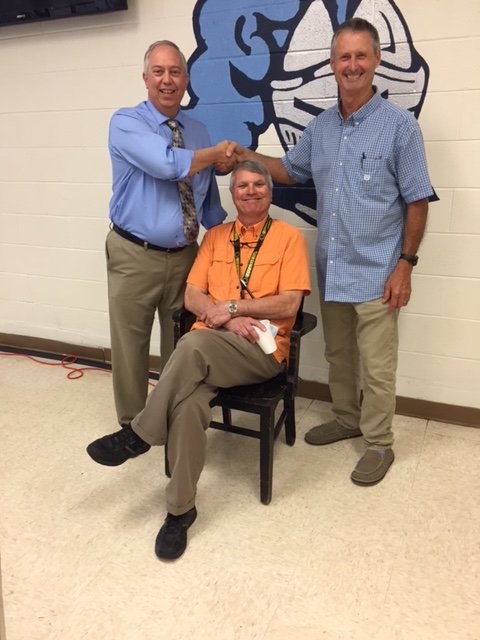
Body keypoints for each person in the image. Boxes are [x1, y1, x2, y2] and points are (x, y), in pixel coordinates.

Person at [232, 18, 434, 486]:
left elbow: (418, 201)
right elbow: (288, 169)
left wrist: (405, 266)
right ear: (332, 63)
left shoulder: (400, 127)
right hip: (334, 270)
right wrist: (243, 154)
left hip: (380, 273)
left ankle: (379, 442)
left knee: (377, 367)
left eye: (361, 55)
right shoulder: (321, 128)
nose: (352, 65)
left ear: (376, 60)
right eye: (344, 56)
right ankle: (347, 419)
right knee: (339, 355)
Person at [87, 160, 311, 560]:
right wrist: (226, 320)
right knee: (188, 405)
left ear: (270, 191)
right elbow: (192, 296)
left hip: (260, 351)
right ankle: (180, 511)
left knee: (190, 345)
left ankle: (139, 434)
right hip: (212, 345)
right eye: (242, 185)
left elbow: (289, 303)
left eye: (259, 184)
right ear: (233, 194)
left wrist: (234, 308)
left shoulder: (289, 237)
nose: (251, 191)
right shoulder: (215, 237)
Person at [106, 40, 236, 427]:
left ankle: (170, 413)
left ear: (186, 79)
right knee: (131, 343)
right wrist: (215, 154)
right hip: (135, 254)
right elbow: (167, 165)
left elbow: (207, 195)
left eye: (175, 72)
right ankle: (133, 424)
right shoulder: (126, 123)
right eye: (159, 72)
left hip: (185, 256)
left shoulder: (198, 130)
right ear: (145, 78)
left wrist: (224, 247)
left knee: (181, 340)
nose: (167, 80)